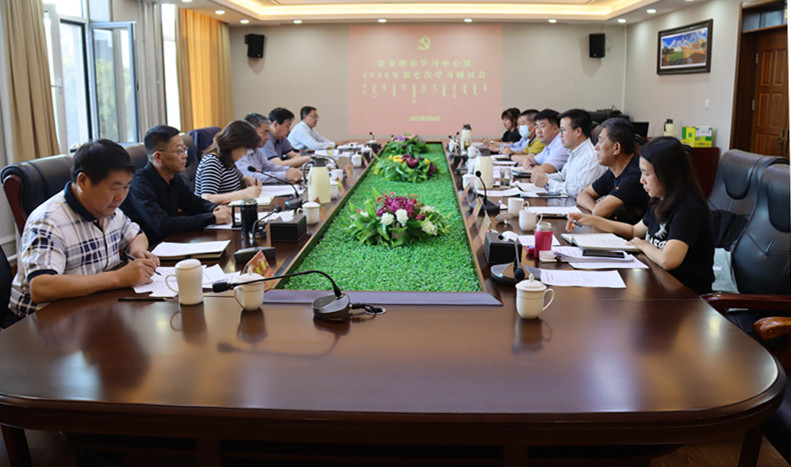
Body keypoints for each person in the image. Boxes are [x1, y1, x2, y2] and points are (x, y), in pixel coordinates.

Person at [4, 140, 159, 327]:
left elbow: (136, 235)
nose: (120, 197)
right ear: (83, 181)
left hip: (93, 308)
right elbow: (41, 287)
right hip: (44, 322)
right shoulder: (48, 221)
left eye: (126, 187)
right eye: (114, 188)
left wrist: (138, 252)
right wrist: (119, 278)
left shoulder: (109, 210)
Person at [566, 136, 714, 294]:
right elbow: (634, 231)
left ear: (667, 174)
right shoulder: (660, 200)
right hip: (657, 282)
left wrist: (644, 245)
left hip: (684, 294)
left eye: (647, 174)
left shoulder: (688, 208)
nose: (642, 180)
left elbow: (668, 260)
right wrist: (592, 220)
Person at [122, 125, 233, 245]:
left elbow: (193, 203)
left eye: (185, 150)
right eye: (179, 151)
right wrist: (212, 218)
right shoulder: (140, 184)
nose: (185, 155)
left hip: (173, 242)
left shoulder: (173, 177)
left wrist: (214, 208)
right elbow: (162, 224)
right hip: (151, 248)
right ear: (158, 157)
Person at [576, 118, 649, 224]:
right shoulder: (613, 171)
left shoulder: (635, 175)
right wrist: (595, 209)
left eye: (600, 141)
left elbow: (599, 211)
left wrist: (597, 211)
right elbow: (583, 195)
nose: (596, 147)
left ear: (616, 148)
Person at [531, 109, 606, 198]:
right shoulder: (574, 152)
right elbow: (563, 177)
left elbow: (580, 192)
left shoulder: (591, 158)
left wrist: (547, 183)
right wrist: (543, 176)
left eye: (563, 130)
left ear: (578, 131)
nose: (560, 135)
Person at [194, 120, 264, 204]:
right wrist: (244, 194)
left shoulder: (228, 161)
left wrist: (246, 179)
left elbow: (239, 178)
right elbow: (207, 198)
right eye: (245, 149)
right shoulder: (212, 162)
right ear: (234, 144)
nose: (245, 154)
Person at [237, 113, 302, 184]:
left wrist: (289, 170)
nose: (268, 138)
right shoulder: (238, 152)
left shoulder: (256, 149)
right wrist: (284, 175)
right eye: (264, 133)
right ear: (250, 132)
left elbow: (269, 167)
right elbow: (251, 177)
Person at [513, 108, 568, 173]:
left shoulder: (561, 144)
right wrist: (527, 161)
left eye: (542, 126)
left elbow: (544, 170)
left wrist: (531, 166)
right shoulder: (549, 144)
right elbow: (533, 160)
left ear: (555, 128)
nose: (538, 131)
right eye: (536, 127)